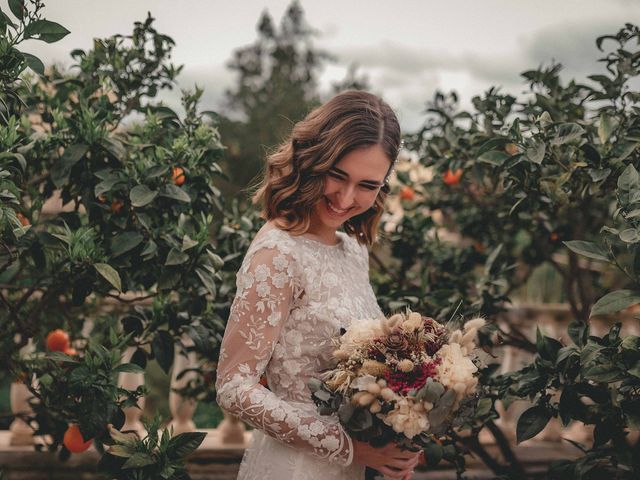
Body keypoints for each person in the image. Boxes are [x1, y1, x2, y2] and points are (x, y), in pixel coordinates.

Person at [215, 90, 422, 480]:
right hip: (295, 469)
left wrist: (394, 433)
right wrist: (348, 448)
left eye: (367, 185)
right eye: (337, 175)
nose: (346, 198)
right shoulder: (277, 254)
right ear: (312, 162)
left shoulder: (352, 250)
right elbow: (233, 386)